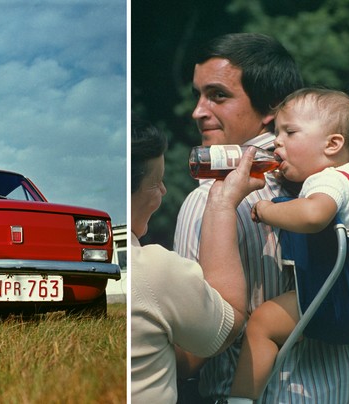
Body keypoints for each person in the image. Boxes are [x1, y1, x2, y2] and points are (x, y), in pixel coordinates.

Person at [174, 34, 349, 403]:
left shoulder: (209, 199)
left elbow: (196, 343)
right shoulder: (347, 184)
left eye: (217, 95)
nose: (197, 111)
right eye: (198, 95)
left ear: (270, 109)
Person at [221, 88, 349, 403]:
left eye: (290, 132)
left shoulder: (326, 180)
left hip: (344, 300)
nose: (276, 142)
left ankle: (240, 399)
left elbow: (314, 215)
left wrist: (267, 210)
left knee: (261, 323)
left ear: (332, 144)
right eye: (276, 132)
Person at [130, 122, 265, 403]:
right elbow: (230, 321)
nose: (164, 191)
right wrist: (221, 204)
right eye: (156, 183)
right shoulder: (152, 269)